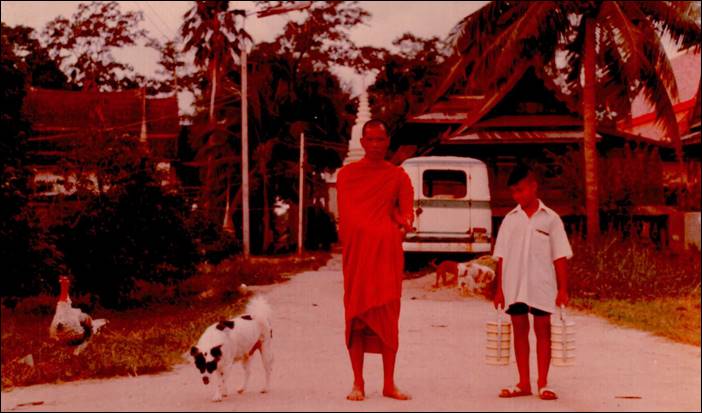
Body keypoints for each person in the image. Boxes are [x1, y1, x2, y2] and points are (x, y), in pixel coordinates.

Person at [336, 119, 414, 401]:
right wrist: (370, 231)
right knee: (356, 318)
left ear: (387, 141)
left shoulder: (398, 176)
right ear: (362, 143)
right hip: (358, 257)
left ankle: (389, 383)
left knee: (388, 318)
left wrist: (402, 225)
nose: (376, 145)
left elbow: (407, 212)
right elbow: (347, 219)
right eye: (371, 140)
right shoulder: (346, 176)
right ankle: (358, 383)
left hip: (387, 257)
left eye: (381, 139)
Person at [492, 163, 573, 401]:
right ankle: (524, 382)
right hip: (514, 284)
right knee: (519, 330)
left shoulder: (551, 219)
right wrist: (499, 290)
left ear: (533, 186)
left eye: (522, 190)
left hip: (541, 285)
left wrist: (563, 289)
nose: (518, 196)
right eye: (514, 192)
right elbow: (501, 256)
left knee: (542, 330)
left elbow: (559, 255)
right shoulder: (510, 220)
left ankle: (544, 383)